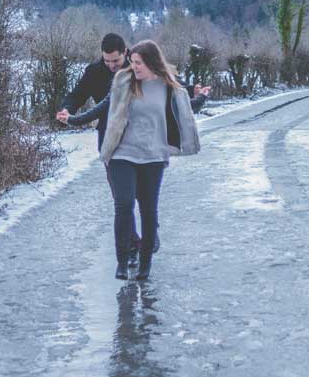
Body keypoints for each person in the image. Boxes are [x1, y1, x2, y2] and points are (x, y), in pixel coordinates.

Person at [61, 39, 209, 281]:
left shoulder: (168, 86)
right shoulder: (123, 81)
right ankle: (122, 262)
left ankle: (145, 264)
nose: (133, 67)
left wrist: (202, 97)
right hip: (122, 153)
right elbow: (102, 108)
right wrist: (72, 119)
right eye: (132, 63)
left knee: (149, 210)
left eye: (138, 63)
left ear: (151, 63)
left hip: (153, 156)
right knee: (124, 203)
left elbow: (187, 107)